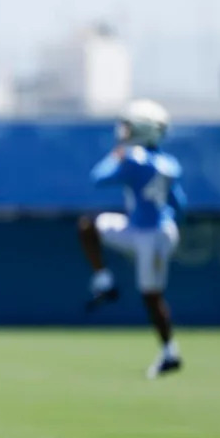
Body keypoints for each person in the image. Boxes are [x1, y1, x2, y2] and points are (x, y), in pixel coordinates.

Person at [78, 99, 186, 379]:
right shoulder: (168, 163)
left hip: (150, 236)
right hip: (147, 229)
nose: (122, 131)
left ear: (141, 129)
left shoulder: (133, 158)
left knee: (151, 296)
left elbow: (98, 178)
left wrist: (116, 156)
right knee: (89, 226)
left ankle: (170, 352)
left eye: (128, 126)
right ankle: (104, 281)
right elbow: (179, 203)